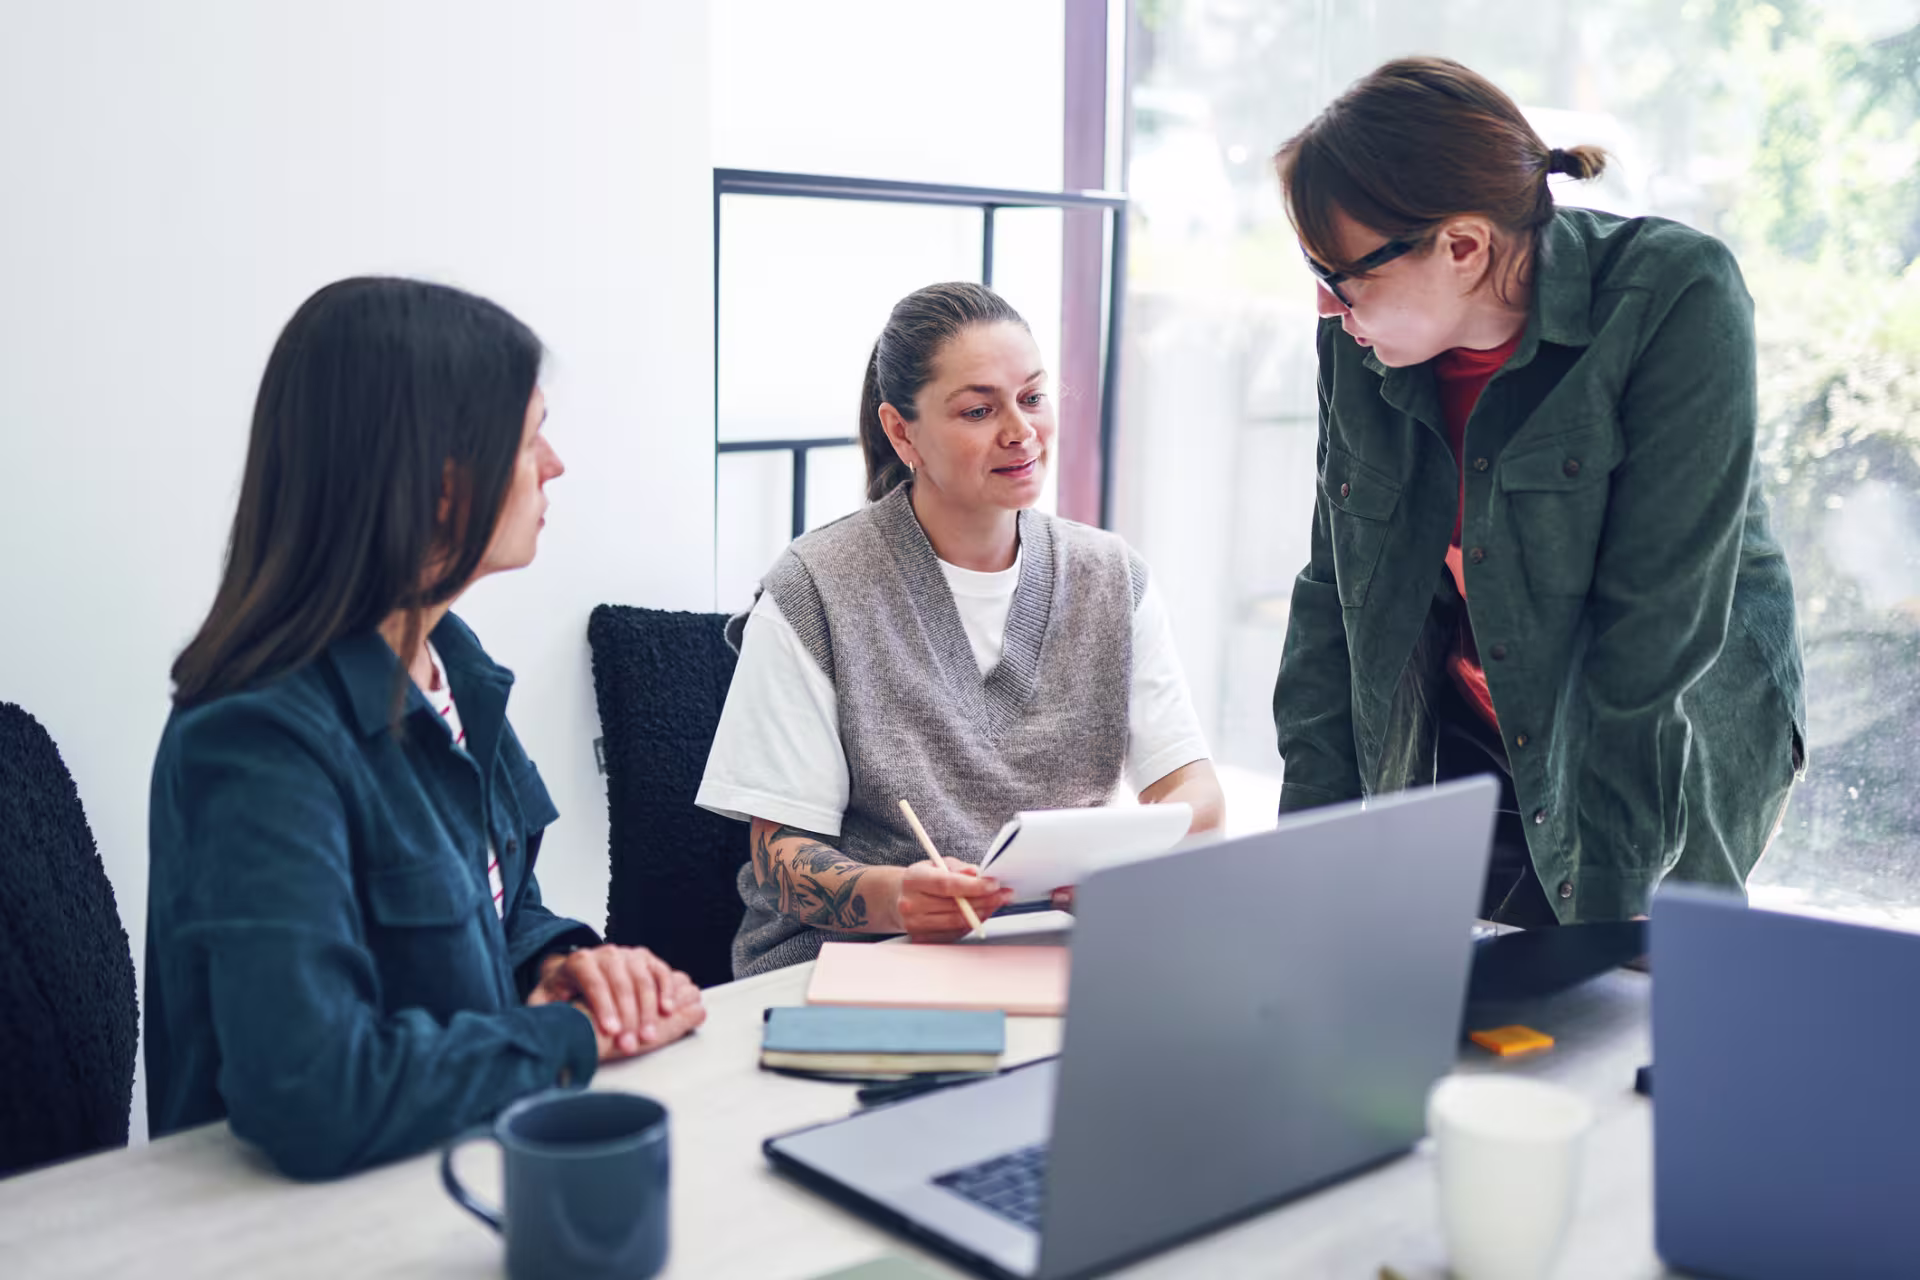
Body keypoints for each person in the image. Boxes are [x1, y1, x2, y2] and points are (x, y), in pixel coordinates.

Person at [145, 278, 705, 1179]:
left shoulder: (449, 657)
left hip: (456, 1159)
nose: (555, 464)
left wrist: (556, 965)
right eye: (529, 439)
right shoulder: (256, 734)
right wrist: (563, 1037)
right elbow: (312, 1090)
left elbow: (498, 903)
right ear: (444, 484)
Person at [1271, 57, 1805, 925]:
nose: (1328, 306)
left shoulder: (1674, 298)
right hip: (1471, 719)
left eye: (1342, 273)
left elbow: (1655, 639)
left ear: (1464, 246)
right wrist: (1303, 868)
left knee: (1611, 1021)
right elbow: (1335, 600)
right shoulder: (1364, 346)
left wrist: (1609, 919)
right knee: (1449, 1006)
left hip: (1663, 746)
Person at [699, 282, 1224, 976]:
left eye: (1032, 398)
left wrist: (1125, 865)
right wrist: (896, 898)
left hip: (1053, 959)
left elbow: (1199, 802)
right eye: (978, 410)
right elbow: (780, 857)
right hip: (858, 965)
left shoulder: (1110, 578)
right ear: (900, 430)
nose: (1020, 431)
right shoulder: (816, 588)